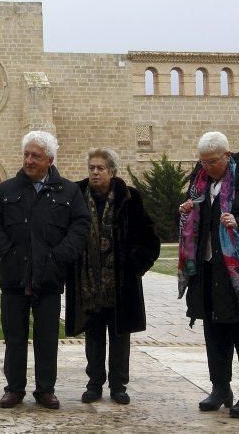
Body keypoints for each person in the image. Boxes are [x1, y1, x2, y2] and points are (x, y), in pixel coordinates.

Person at [0, 131, 90, 410]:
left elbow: (80, 227)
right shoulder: (6, 190)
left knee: (47, 338)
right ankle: (14, 389)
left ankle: (45, 390)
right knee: (14, 337)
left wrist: (58, 258)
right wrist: (7, 252)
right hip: (14, 275)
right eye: (26, 154)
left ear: (50, 160)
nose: (29, 160)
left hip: (49, 277)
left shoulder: (68, 191)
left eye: (36, 156)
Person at [178, 131, 239, 419]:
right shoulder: (198, 184)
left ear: (227, 155)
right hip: (208, 270)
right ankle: (220, 388)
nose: (207, 167)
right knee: (214, 331)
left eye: (212, 161)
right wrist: (185, 212)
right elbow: (193, 223)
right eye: (203, 162)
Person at [65, 148, 160, 405]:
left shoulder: (131, 198)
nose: (95, 173)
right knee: (93, 336)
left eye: (100, 168)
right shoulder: (76, 196)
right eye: (92, 168)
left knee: (120, 337)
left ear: (112, 171)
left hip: (120, 284)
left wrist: (135, 266)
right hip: (87, 282)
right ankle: (94, 384)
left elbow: (150, 238)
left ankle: (119, 386)